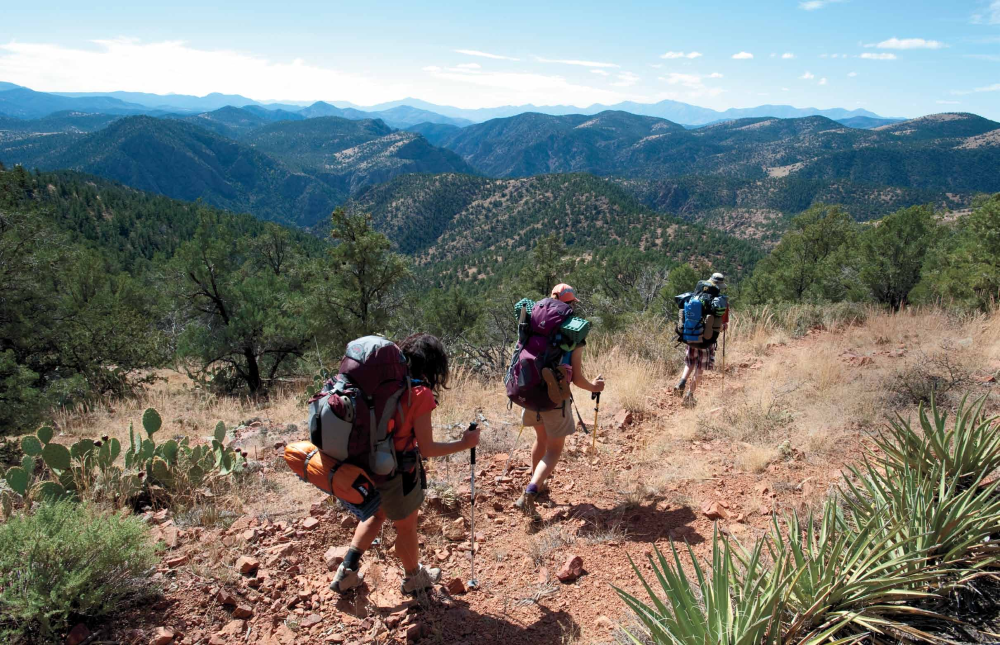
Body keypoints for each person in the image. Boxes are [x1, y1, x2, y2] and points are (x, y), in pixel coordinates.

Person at [331, 333, 481, 595]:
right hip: (396, 472)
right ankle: (414, 578)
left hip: (362, 464)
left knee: (377, 514)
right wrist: (464, 443)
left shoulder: (379, 386)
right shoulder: (418, 394)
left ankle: (346, 572)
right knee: (406, 527)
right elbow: (428, 449)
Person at [514, 284, 605, 521]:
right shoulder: (573, 334)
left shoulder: (531, 324)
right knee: (554, 449)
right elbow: (577, 378)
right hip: (554, 396)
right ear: (570, 305)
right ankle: (531, 491)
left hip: (528, 391)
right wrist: (595, 387)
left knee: (540, 440)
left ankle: (539, 485)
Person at [674, 272, 727, 408]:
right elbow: (719, 326)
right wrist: (723, 327)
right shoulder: (718, 301)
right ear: (719, 285)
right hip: (705, 341)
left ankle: (682, 382)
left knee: (690, 362)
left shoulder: (696, 295)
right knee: (700, 368)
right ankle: (690, 395)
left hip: (691, 335)